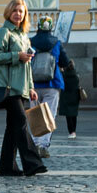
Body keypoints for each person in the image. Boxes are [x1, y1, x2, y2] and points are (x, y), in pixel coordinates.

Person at [0, 0, 46, 177]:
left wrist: (31, 87)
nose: (18, 14)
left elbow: (26, 64)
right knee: (20, 123)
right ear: (8, 12)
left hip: (21, 88)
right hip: (8, 87)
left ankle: (7, 167)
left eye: (21, 11)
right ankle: (33, 164)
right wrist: (16, 55)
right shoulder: (4, 32)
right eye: (15, 11)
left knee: (12, 128)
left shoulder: (23, 35)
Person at [28, 17, 70, 158]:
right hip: (52, 83)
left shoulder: (31, 41)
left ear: (38, 27)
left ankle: (35, 143)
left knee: (35, 114)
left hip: (33, 84)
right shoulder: (56, 42)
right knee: (50, 115)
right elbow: (65, 61)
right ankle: (44, 146)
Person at [58, 59, 81, 138]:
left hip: (66, 97)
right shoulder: (76, 74)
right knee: (74, 115)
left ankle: (71, 132)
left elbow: (60, 83)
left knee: (68, 116)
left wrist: (61, 71)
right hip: (75, 97)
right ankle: (74, 131)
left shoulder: (64, 75)